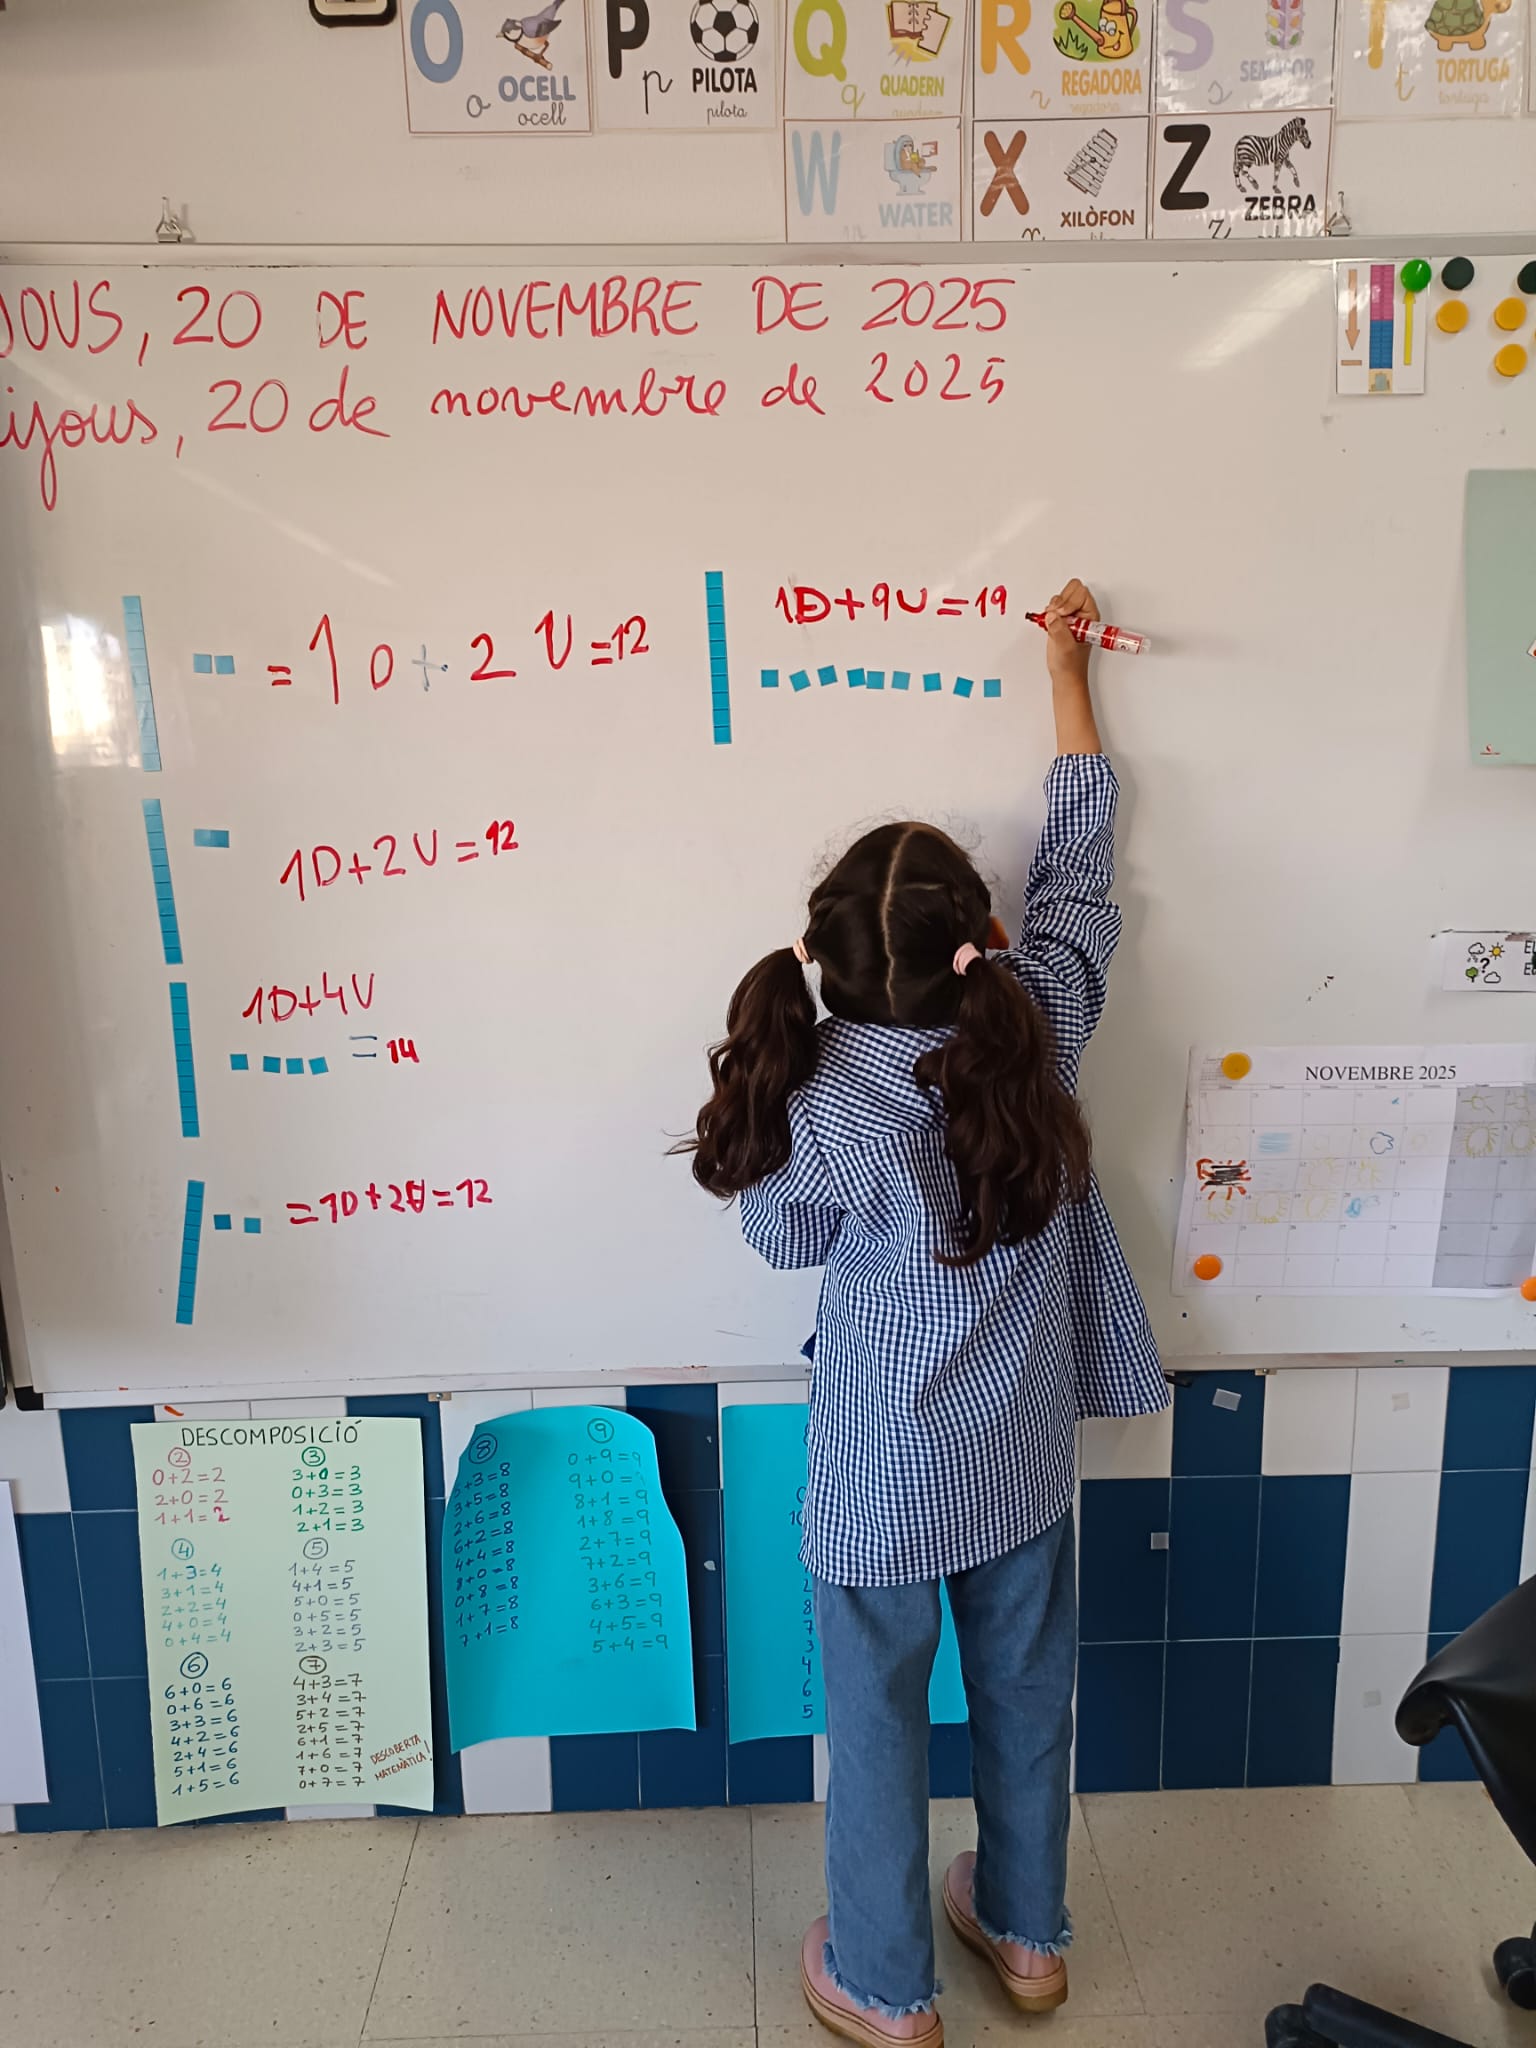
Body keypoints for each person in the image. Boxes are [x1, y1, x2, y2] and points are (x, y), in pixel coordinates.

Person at [680, 579, 1168, 2047]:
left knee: (879, 1724)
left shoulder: (826, 1091)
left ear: (824, 966)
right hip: (1023, 1456)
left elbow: (784, 1241)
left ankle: (888, 1990)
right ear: (987, 936)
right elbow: (1083, 878)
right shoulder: (1039, 1026)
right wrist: (1067, 675)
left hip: (881, 1475)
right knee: (1026, 1696)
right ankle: (1028, 1935)